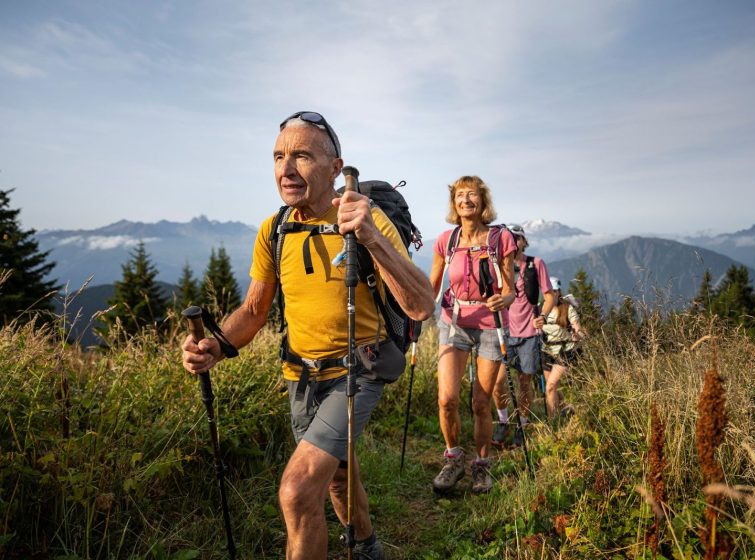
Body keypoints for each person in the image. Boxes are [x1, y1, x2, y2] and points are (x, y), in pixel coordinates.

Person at [181, 111, 434, 560]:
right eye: (278, 156)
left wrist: (371, 237)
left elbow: (421, 305)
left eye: (301, 155)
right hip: (299, 375)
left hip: (360, 371)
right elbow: (255, 310)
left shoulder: (366, 221)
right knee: (336, 476)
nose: (285, 168)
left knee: (297, 492)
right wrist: (215, 346)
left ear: (335, 168)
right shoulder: (274, 230)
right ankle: (367, 547)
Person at [429, 176, 516, 494]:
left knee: (480, 402)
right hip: (453, 323)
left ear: (483, 201)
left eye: (473, 195)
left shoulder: (500, 239)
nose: (466, 200)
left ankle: (481, 465)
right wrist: (414, 308)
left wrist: (503, 299)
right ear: (454, 203)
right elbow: (433, 286)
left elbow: (510, 290)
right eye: (460, 195)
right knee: (446, 399)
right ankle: (453, 459)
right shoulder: (445, 241)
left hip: (490, 325)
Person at [491, 224, 554, 444]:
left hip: (529, 334)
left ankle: (522, 424)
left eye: (517, 238)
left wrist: (543, 317)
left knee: (524, 384)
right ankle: (503, 421)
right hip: (504, 333)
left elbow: (550, 296)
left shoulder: (535, 264)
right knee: (498, 383)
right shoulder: (499, 267)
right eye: (510, 238)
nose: (514, 242)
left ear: (523, 242)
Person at [540, 277, 585, 417]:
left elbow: (578, 328)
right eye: (548, 291)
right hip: (546, 351)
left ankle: (554, 422)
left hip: (565, 351)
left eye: (554, 291)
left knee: (550, 387)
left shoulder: (567, 308)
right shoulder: (541, 309)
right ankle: (563, 410)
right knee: (552, 387)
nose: (551, 294)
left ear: (559, 292)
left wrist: (578, 335)